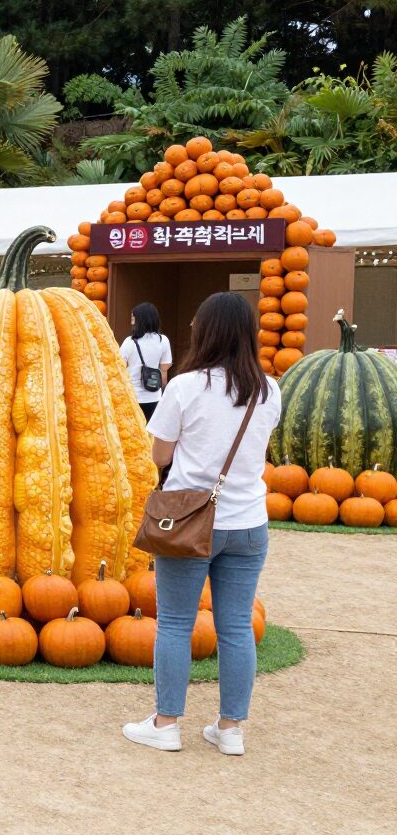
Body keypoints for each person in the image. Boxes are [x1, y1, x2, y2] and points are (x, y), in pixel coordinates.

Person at [124, 291, 280, 758]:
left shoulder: (185, 387)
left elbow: (160, 455)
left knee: (174, 623)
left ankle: (166, 723)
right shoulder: (270, 389)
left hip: (190, 522)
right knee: (235, 627)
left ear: (206, 332)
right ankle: (230, 729)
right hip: (250, 522)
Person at [119, 303, 172, 420]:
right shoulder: (163, 341)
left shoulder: (129, 342)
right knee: (150, 434)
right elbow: (164, 372)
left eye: (133, 318)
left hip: (132, 396)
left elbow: (119, 368)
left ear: (140, 320)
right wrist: (164, 394)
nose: (131, 321)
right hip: (154, 396)